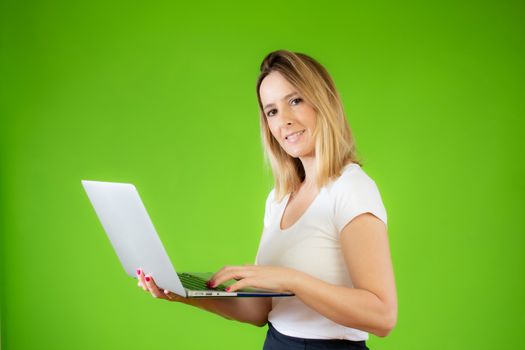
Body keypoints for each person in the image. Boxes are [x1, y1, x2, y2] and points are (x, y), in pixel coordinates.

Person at [136, 50, 398, 349]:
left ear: (324, 102)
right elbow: (259, 311)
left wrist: (290, 280)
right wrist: (182, 293)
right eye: (271, 111)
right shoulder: (279, 199)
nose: (283, 120)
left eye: (295, 100)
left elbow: (382, 315)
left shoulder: (351, 188)